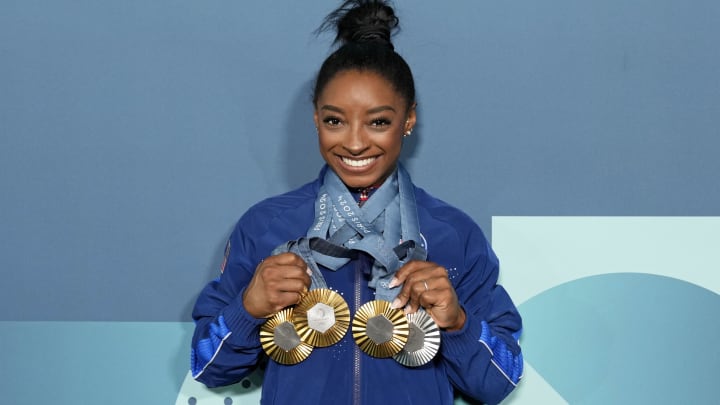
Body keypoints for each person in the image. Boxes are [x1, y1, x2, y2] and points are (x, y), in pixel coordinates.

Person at [189, 1, 523, 404]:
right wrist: (247, 309)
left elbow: (499, 380)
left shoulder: (451, 234)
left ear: (409, 119)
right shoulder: (266, 227)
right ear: (315, 119)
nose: (354, 142)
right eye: (335, 120)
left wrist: (458, 323)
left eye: (378, 121)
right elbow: (208, 366)